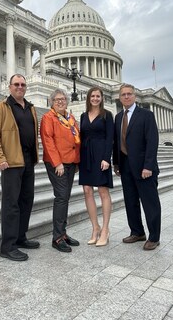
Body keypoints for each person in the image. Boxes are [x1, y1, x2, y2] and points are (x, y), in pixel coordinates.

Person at [0, 74, 40, 261]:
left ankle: (20, 237)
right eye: (16, 84)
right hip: (10, 162)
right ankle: (7, 246)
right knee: (11, 204)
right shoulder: (1, 107)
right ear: (9, 87)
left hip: (28, 160)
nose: (20, 87)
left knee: (27, 200)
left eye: (23, 84)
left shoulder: (31, 108)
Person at [113, 83, 161, 250]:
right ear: (120, 98)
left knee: (150, 203)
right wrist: (116, 163)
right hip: (126, 167)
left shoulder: (146, 115)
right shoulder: (118, 117)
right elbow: (117, 142)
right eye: (123, 94)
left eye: (129, 94)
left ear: (134, 96)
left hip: (144, 168)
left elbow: (152, 142)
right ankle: (137, 232)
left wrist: (148, 166)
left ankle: (154, 237)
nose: (126, 97)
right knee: (131, 201)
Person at [40, 89, 81, 253]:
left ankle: (63, 234)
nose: (60, 102)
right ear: (51, 102)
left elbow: (77, 139)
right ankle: (57, 238)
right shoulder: (48, 118)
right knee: (61, 197)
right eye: (57, 99)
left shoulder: (70, 118)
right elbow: (48, 141)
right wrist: (57, 163)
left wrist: (77, 161)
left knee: (65, 197)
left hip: (71, 162)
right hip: (58, 164)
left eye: (63, 99)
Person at [79, 87, 114, 247]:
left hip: (101, 155)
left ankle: (105, 229)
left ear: (102, 98)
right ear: (88, 98)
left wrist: (107, 158)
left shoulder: (107, 115)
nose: (95, 98)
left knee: (102, 191)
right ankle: (95, 228)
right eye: (92, 96)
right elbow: (81, 136)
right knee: (87, 191)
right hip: (86, 155)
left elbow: (110, 138)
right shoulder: (83, 116)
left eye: (98, 96)